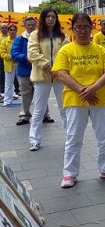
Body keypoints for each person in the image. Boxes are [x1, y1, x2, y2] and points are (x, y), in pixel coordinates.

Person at [52, 12, 105, 188]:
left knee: (104, 135)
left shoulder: (99, 50)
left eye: (85, 27)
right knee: (73, 137)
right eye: (78, 27)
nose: (82, 30)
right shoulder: (66, 50)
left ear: (91, 28)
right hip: (75, 99)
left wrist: (93, 88)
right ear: (72, 29)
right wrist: (83, 90)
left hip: (100, 98)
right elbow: (61, 73)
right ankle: (69, 173)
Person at [27, 8, 68, 151]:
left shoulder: (62, 36)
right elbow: (32, 54)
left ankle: (70, 137)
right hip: (41, 77)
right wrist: (47, 66)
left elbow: (67, 54)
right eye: (48, 16)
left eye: (53, 17)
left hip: (59, 77)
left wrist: (56, 68)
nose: (51, 19)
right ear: (43, 18)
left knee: (64, 109)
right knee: (39, 110)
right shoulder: (35, 35)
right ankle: (34, 140)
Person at [11, 17, 53, 125]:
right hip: (24, 71)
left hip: (39, 70)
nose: (31, 27)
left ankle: (45, 115)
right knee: (25, 94)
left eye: (33, 25)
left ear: (37, 25)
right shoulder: (20, 39)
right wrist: (26, 58)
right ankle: (25, 115)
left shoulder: (42, 37)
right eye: (28, 25)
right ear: (24, 26)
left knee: (42, 93)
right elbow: (14, 53)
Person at [0, 24, 19, 106]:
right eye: (10, 30)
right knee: (8, 84)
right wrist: (10, 57)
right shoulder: (4, 41)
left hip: (19, 64)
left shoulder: (19, 40)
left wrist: (18, 57)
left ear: (16, 31)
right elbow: (2, 53)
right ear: (8, 31)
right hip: (8, 64)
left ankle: (28, 100)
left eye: (14, 30)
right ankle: (7, 101)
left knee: (23, 83)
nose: (12, 31)